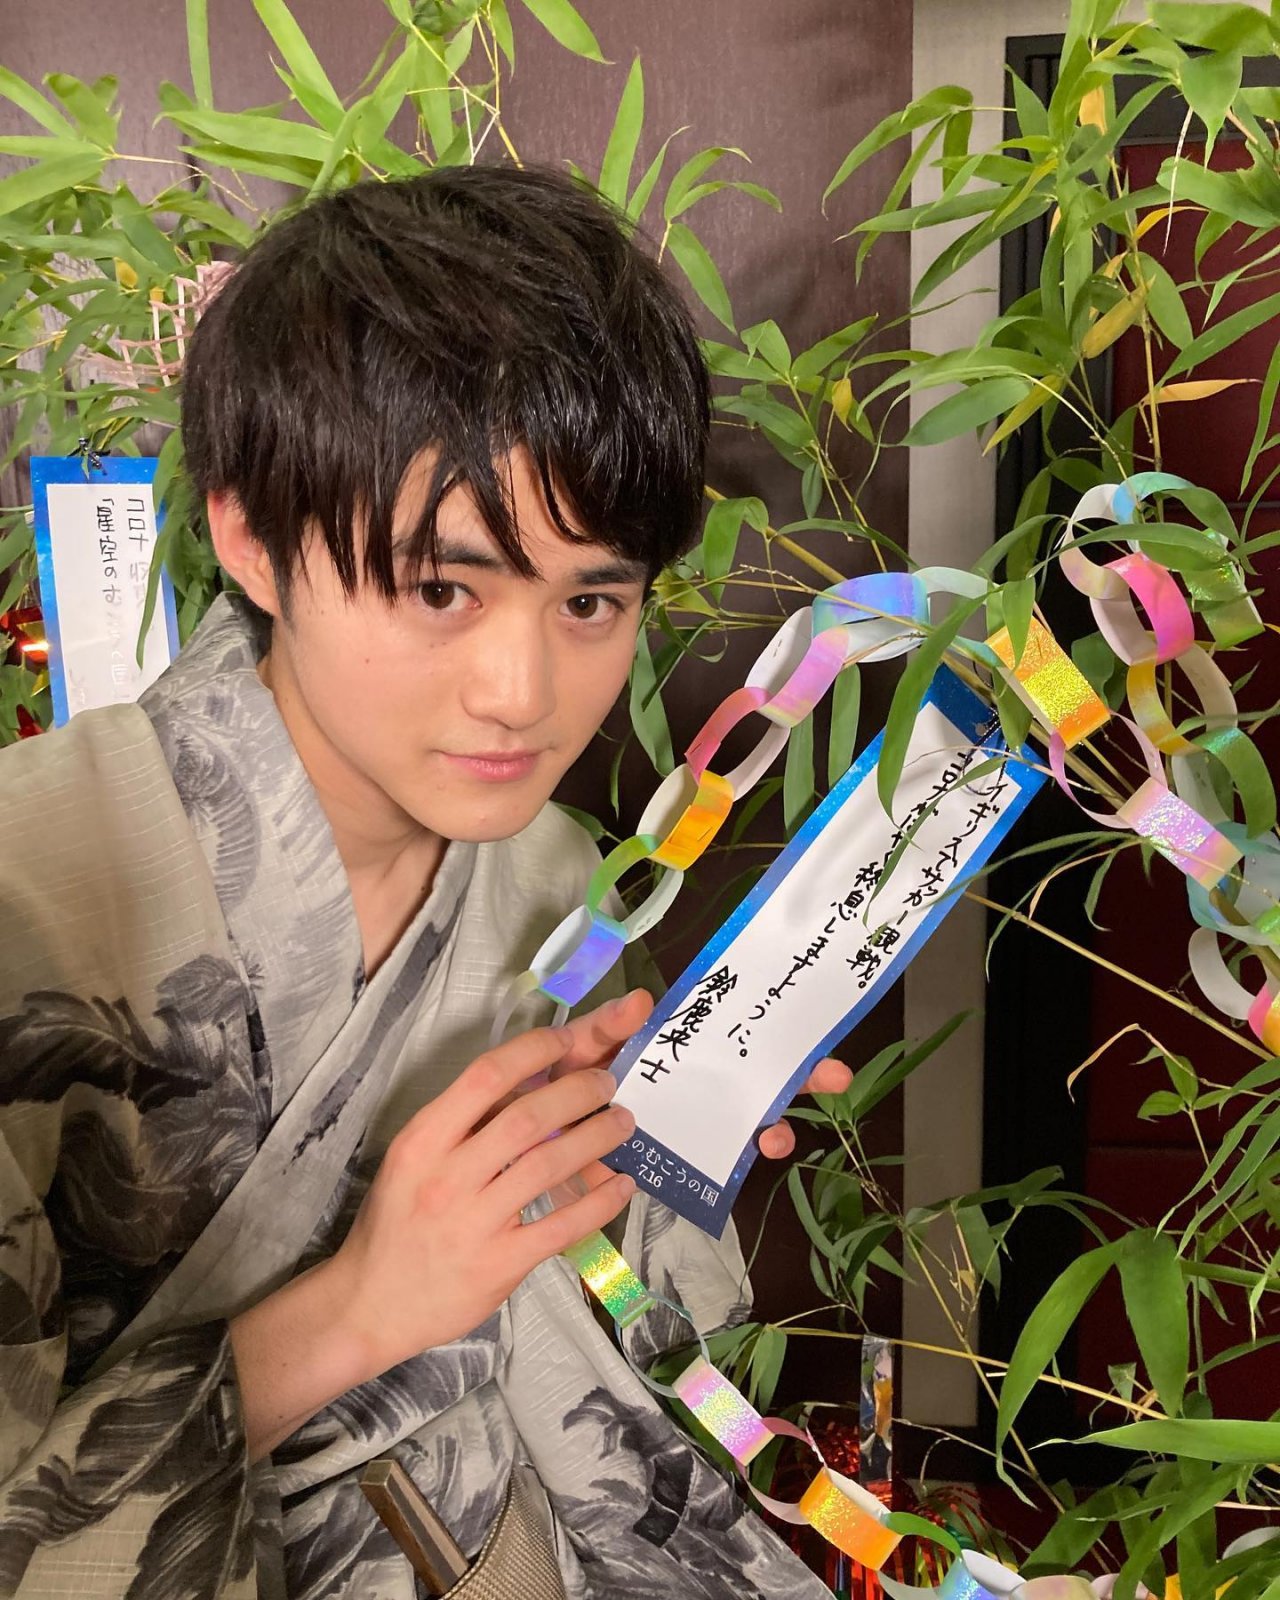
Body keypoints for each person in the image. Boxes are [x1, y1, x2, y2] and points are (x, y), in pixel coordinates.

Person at [0, 165, 847, 1600]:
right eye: (442, 589)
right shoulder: (27, 895)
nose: (522, 692)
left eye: (592, 600)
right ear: (251, 540)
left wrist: (651, 1145)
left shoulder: (552, 878)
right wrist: (361, 1306)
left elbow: (602, 1324)